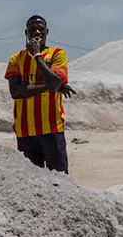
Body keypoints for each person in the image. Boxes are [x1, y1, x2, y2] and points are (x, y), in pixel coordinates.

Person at [5, 15, 75, 173]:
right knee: (31, 180)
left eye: (40, 29)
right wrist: (50, 85)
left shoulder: (57, 54)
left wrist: (37, 55)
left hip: (51, 128)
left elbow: (56, 82)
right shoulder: (16, 58)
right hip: (25, 131)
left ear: (47, 32)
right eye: (32, 30)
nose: (36, 32)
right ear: (26, 32)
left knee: (60, 179)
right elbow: (15, 92)